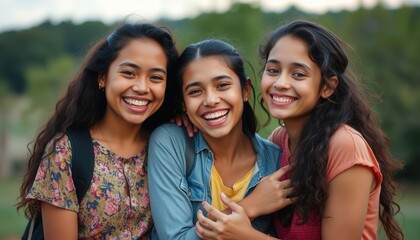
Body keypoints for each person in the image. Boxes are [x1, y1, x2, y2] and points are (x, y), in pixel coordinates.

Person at [195, 20, 404, 240]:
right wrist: (192, 119)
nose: (281, 83)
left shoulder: (345, 146)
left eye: (298, 74)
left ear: (327, 87)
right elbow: (217, 228)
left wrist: (247, 236)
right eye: (273, 70)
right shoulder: (279, 140)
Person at [17, 22, 178, 239]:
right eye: (129, 73)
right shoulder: (66, 152)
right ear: (102, 77)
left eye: (156, 77)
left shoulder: (167, 146)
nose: (142, 87)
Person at [147, 39, 294, 240]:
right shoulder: (171, 142)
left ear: (245, 90)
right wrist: (251, 206)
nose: (211, 100)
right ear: (183, 103)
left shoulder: (276, 162)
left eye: (222, 85)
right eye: (195, 91)